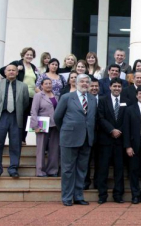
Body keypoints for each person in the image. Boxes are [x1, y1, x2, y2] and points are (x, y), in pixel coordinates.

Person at [54, 74, 97, 206]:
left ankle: (78, 196)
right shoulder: (67, 97)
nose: (84, 84)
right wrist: (67, 130)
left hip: (86, 138)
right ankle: (67, 197)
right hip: (69, 138)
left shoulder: (92, 98)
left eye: (87, 82)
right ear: (76, 83)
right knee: (68, 169)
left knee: (82, 169)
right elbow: (57, 117)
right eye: (82, 81)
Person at [0, 63, 29, 179]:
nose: (11, 72)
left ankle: (13, 168)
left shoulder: (23, 86)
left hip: (16, 117)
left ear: (17, 73)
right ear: (5, 72)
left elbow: (25, 102)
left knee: (15, 144)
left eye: (14, 70)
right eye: (9, 70)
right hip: (1, 116)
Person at [96, 78, 130, 204]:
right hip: (105, 140)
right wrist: (112, 130)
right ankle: (102, 195)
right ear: (110, 87)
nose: (116, 88)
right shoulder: (103, 100)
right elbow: (100, 117)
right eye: (114, 86)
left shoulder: (126, 101)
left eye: (119, 86)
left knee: (119, 170)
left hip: (120, 141)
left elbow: (127, 119)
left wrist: (119, 131)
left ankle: (118, 195)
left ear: (121, 88)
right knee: (103, 169)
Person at [0, 47, 39, 145]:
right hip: (19, 94)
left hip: (31, 95)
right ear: (23, 55)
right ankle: (15, 138)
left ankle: (23, 139)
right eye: (27, 54)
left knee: (27, 117)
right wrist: (16, 69)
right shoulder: (17, 63)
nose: (29, 56)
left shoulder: (34, 67)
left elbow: (36, 80)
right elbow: (2, 70)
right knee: (18, 117)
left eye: (31, 55)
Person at [30, 78, 59, 177]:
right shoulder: (38, 96)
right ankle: (40, 171)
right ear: (42, 85)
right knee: (41, 148)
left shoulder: (56, 96)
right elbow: (34, 110)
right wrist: (35, 126)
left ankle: (52, 170)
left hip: (55, 125)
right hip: (42, 123)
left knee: (54, 148)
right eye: (46, 83)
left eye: (50, 83)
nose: (48, 85)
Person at [84, 77, 100, 190]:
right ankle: (85, 182)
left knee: (99, 160)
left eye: (96, 86)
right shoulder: (84, 100)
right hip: (86, 134)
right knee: (86, 159)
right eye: (92, 86)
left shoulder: (103, 99)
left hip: (101, 135)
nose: (94, 88)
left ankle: (98, 182)